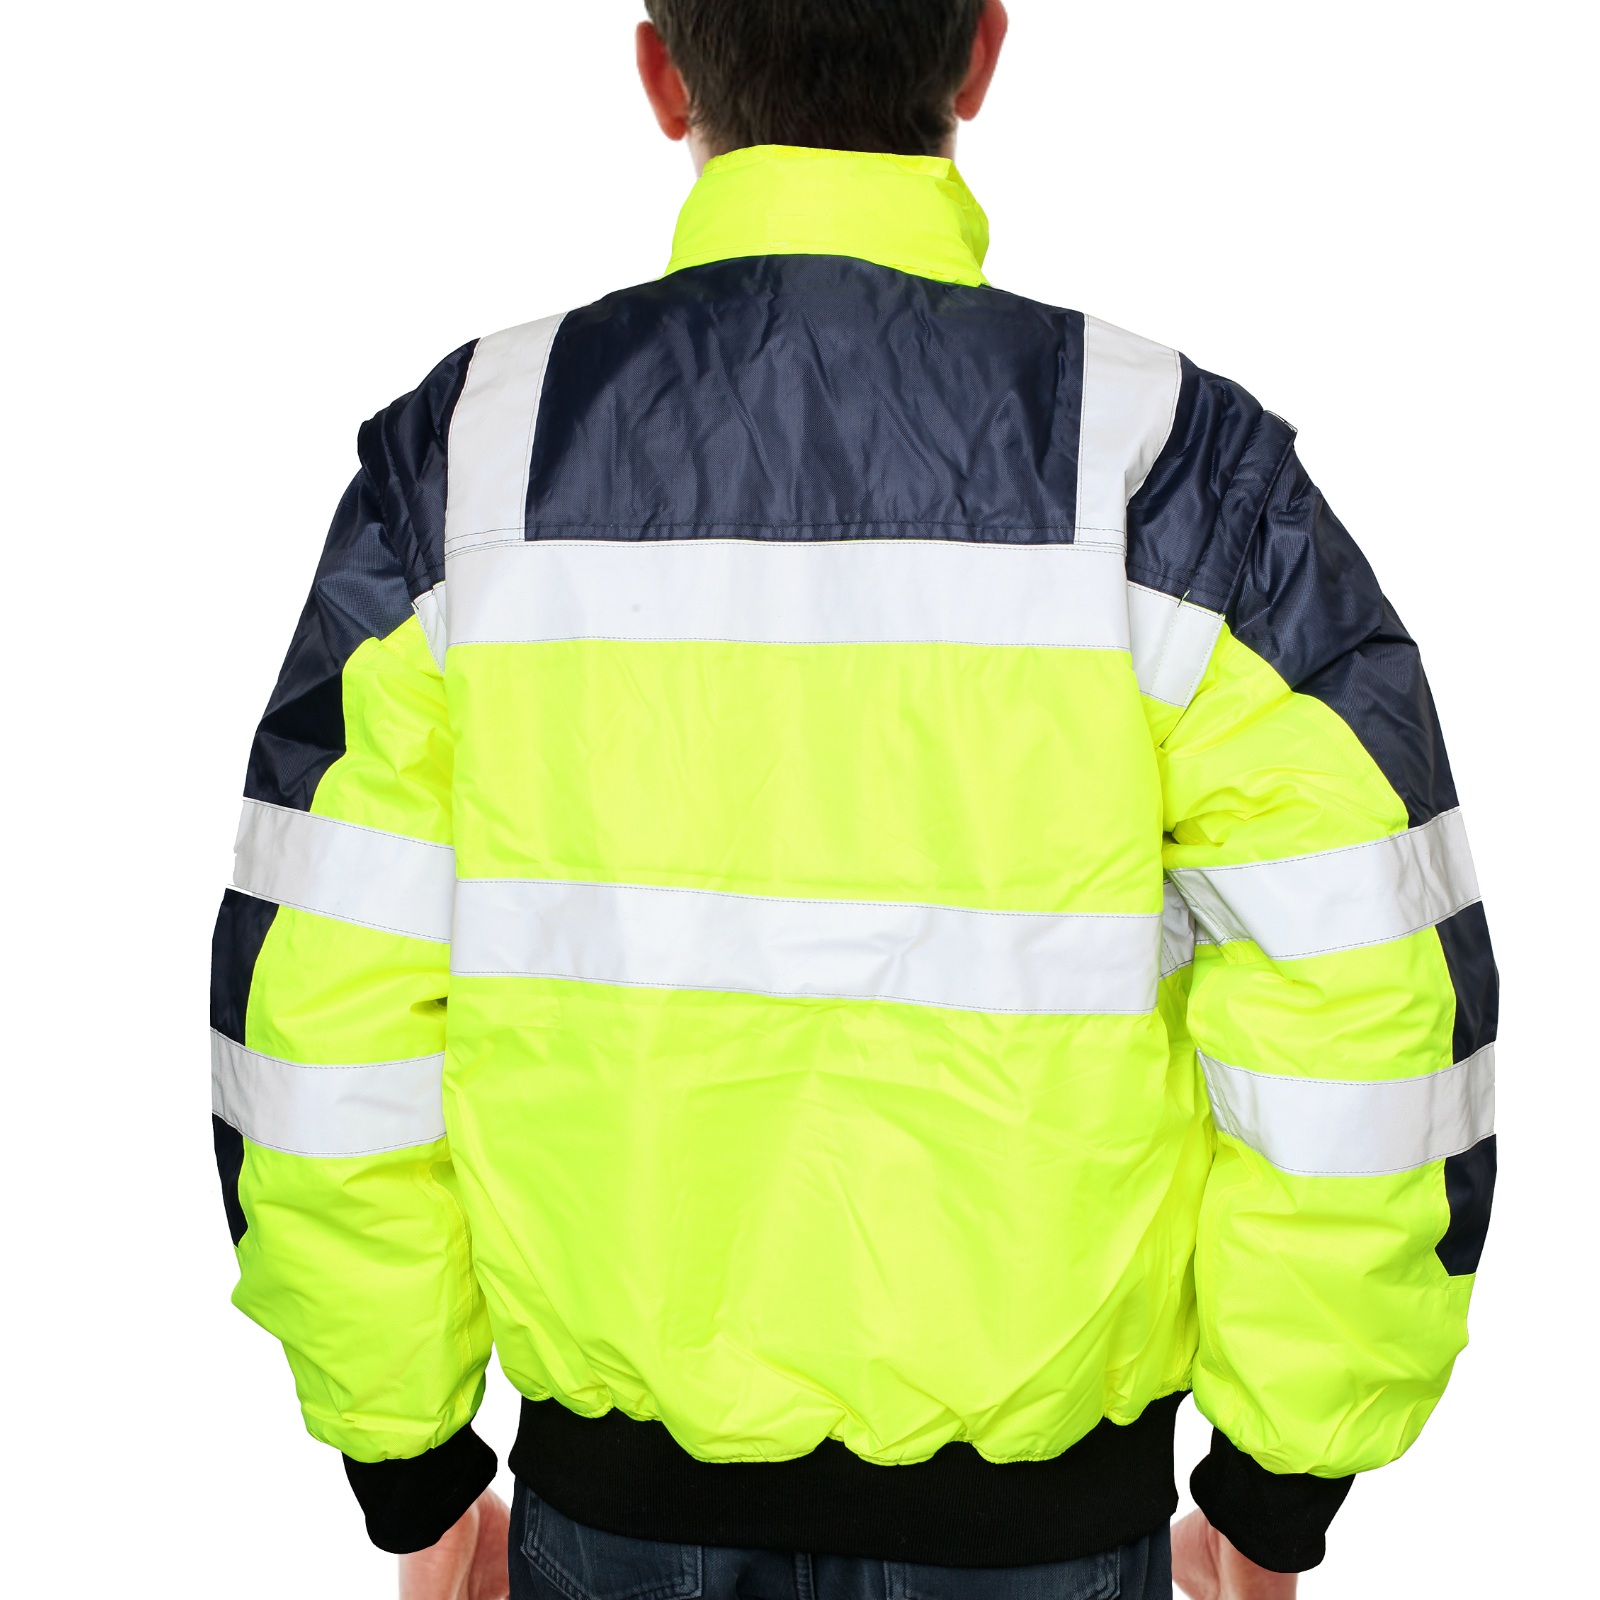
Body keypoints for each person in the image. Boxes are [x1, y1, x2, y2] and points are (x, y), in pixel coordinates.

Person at [208, 4, 1497, 1597]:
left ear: (661, 70)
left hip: (619, 1518)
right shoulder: (1169, 468)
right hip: (1045, 1528)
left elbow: (321, 1006)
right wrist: (1277, 1482)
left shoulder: (473, 462)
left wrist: (406, 1463)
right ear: (981, 53)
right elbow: (1364, 986)